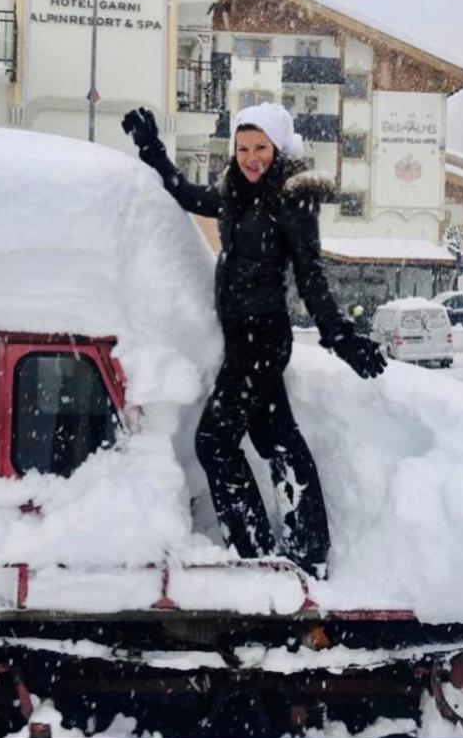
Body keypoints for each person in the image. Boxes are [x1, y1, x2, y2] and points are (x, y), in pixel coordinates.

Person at [122, 103, 386, 578]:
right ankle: (307, 549)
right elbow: (185, 193)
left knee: (214, 443)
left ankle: (255, 551)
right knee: (276, 439)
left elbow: (311, 277)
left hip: (262, 341)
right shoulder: (234, 194)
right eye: (243, 148)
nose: (250, 157)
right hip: (244, 340)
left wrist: (342, 336)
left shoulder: (290, 199)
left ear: (278, 147)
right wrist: (152, 148)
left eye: (260, 147)